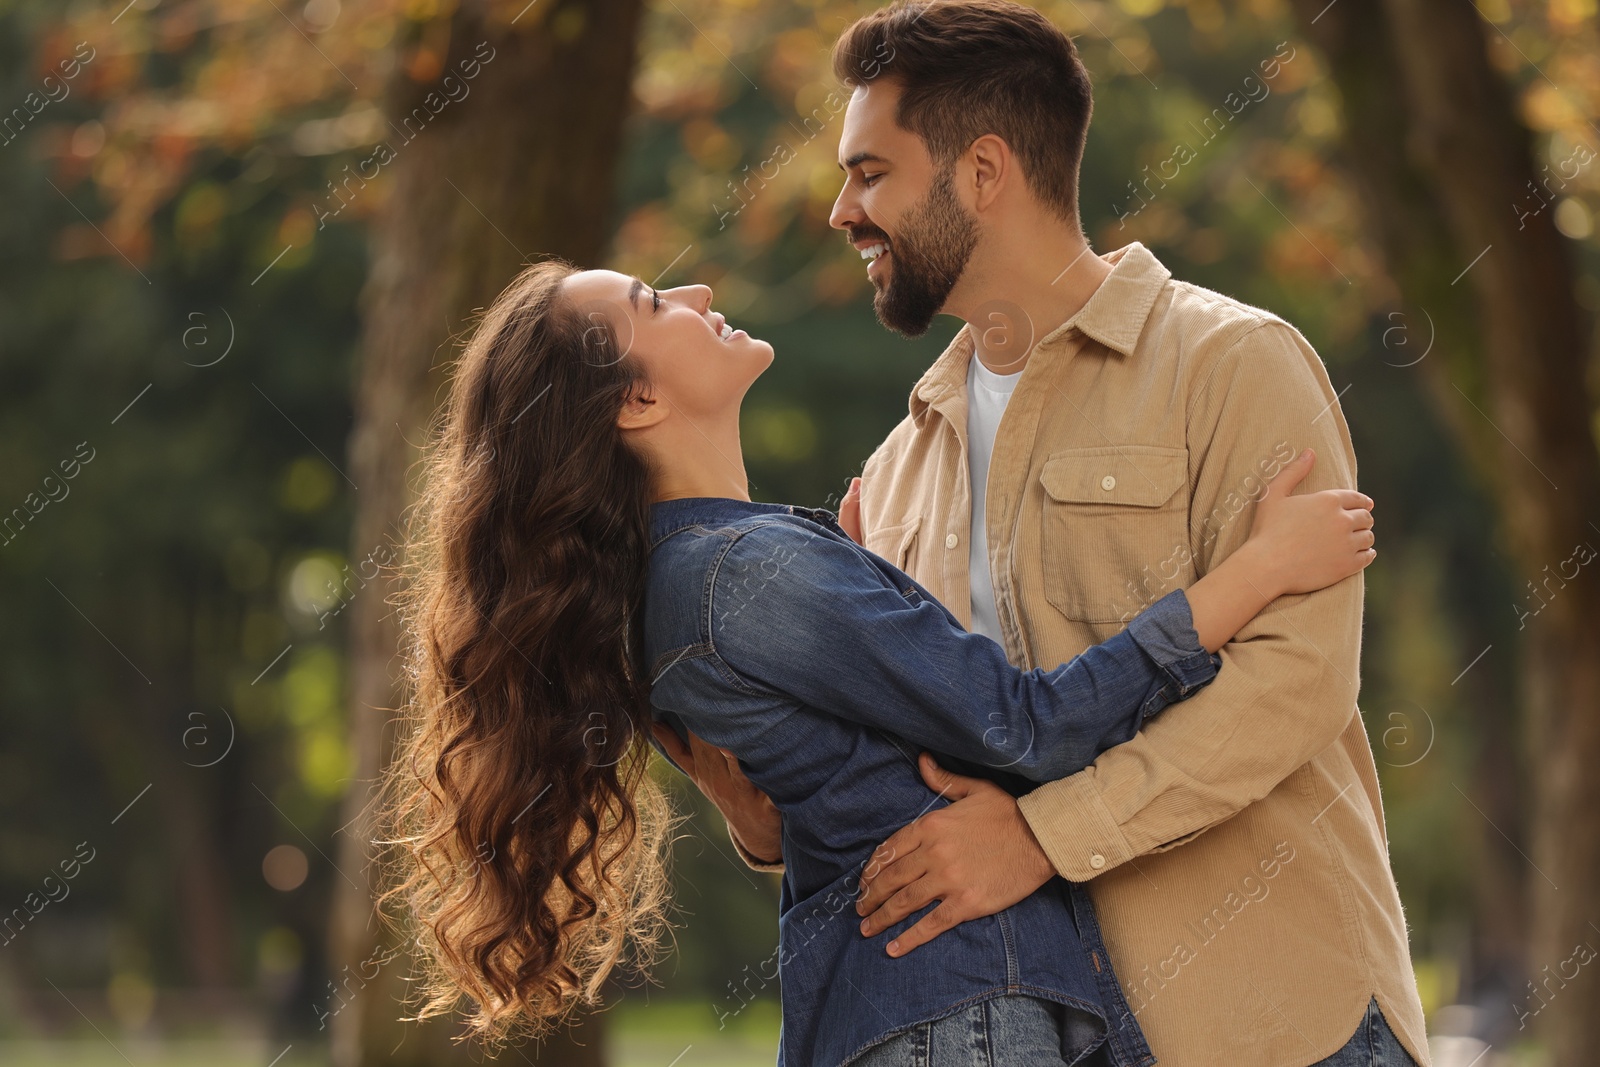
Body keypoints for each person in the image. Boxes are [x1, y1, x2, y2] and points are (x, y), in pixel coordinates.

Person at [377, 258, 1378, 1066]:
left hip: (915, 1008)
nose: (696, 295)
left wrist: (863, 579)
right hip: (957, 1011)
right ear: (636, 399)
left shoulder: (696, 577)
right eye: (653, 303)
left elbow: (799, 796)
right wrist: (1256, 571)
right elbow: (1028, 726)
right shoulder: (743, 572)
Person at [682, 3, 1431, 1066]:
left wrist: (1044, 834)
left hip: (1271, 1020)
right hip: (1029, 1028)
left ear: (982, 172)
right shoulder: (898, 470)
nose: (843, 211)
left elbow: (1294, 686)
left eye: (871, 172)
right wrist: (756, 811)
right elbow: (908, 773)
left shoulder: (1231, 364)